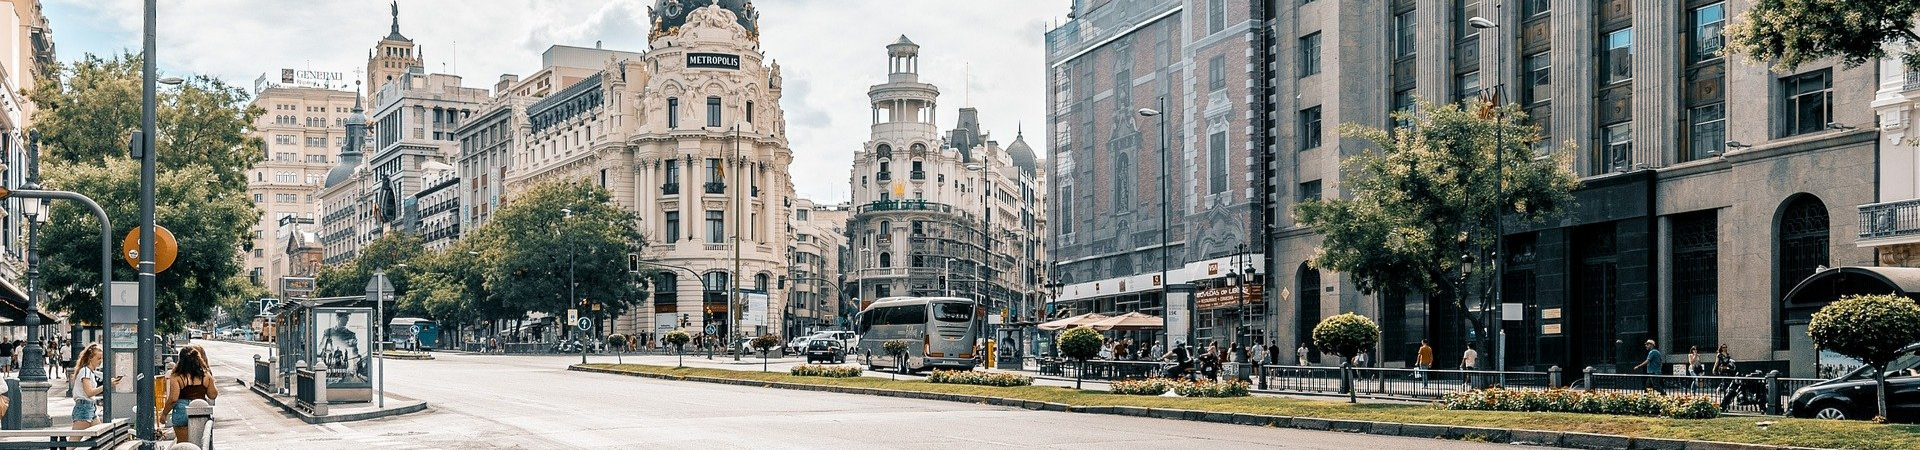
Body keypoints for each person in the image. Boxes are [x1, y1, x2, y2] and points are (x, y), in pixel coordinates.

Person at [164, 345, 218, 441]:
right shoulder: (206, 375)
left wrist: (164, 414)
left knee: (183, 444)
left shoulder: (176, 376)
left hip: (181, 410)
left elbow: (173, 399)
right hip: (200, 410)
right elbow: (213, 395)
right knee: (201, 442)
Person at [71, 343, 120, 430]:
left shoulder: (90, 372)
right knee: (75, 440)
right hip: (84, 407)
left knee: (100, 436)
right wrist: (107, 385)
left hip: (90, 407)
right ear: (90, 358)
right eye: (98, 358)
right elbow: (89, 392)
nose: (100, 361)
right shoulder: (85, 371)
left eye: (101, 358)